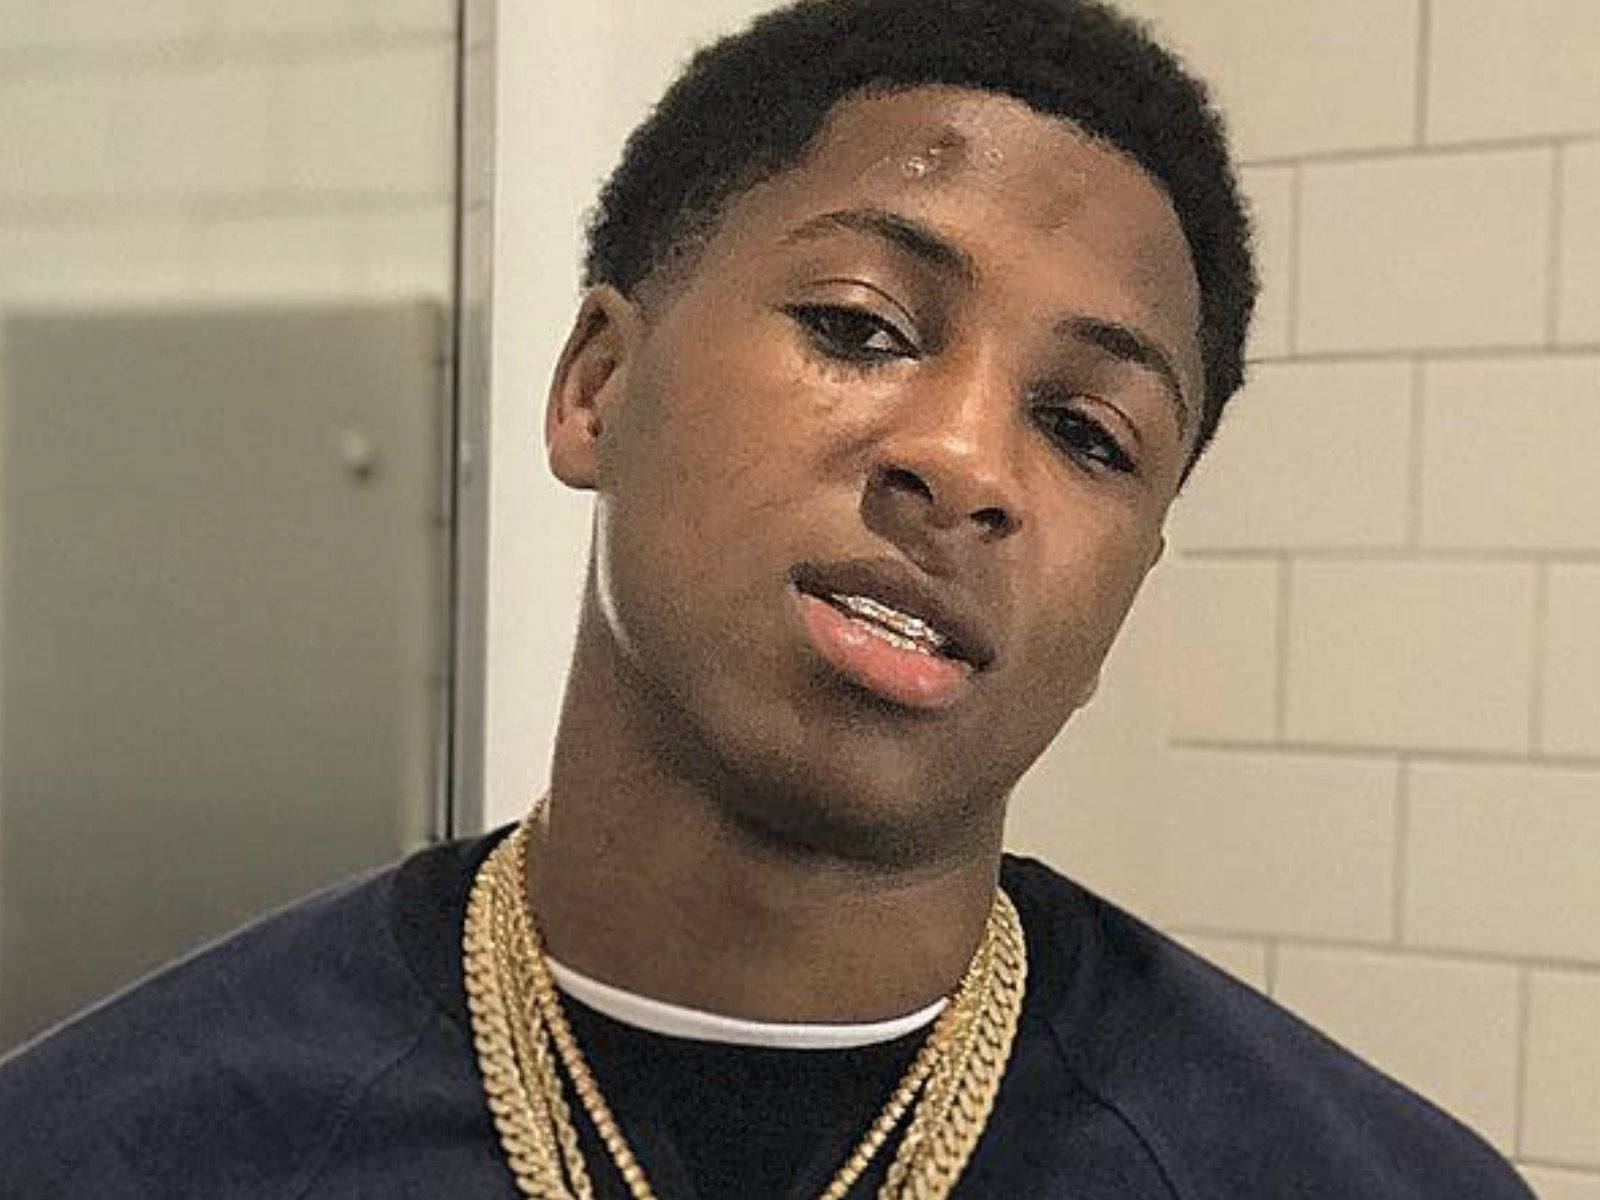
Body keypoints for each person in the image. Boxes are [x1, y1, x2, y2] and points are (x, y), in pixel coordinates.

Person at [0, 1, 1536, 1197]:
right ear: (598, 387)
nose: (965, 463)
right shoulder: (114, 1151)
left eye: (1087, 432)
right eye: (861, 326)